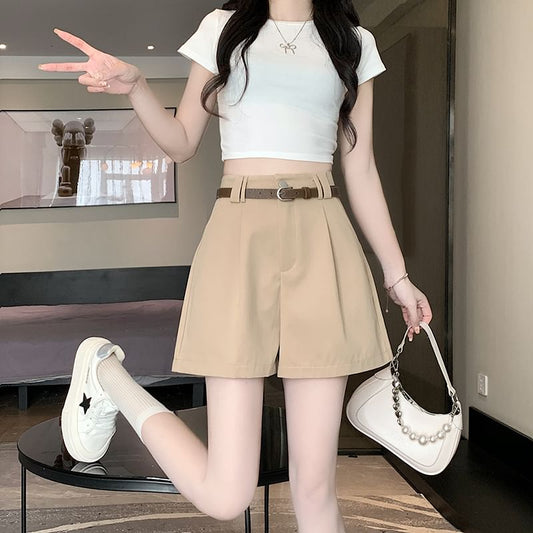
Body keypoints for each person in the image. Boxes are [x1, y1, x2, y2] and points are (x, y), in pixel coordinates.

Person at [38, 1, 432, 531]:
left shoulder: (353, 42)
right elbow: (181, 142)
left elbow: (360, 168)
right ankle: (107, 373)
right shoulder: (223, 29)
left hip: (322, 234)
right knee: (227, 496)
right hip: (238, 231)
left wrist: (396, 275)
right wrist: (137, 87)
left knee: (316, 491)